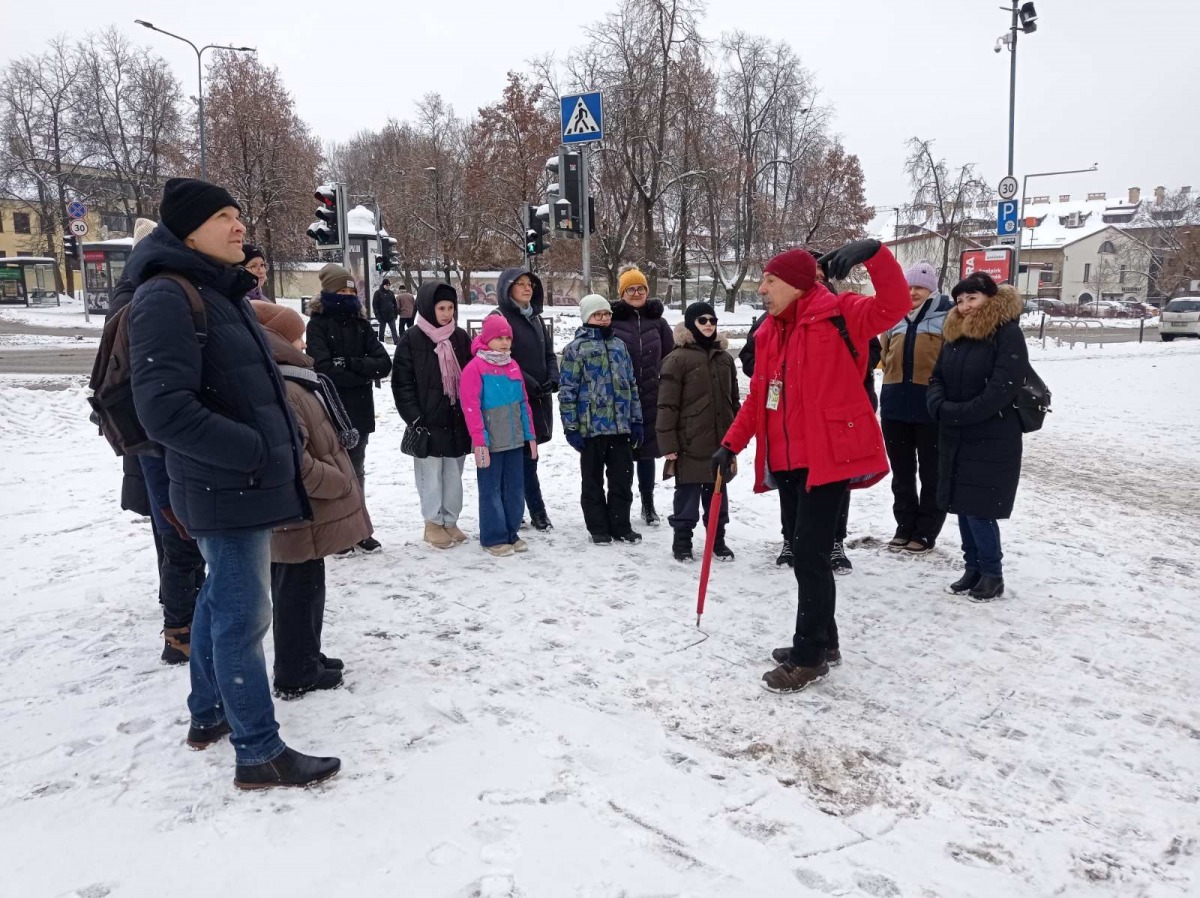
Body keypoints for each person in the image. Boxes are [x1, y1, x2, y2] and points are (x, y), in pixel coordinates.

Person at [128, 177, 339, 789]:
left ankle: (209, 712)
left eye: (238, 214)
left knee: (221, 600)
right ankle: (258, 751)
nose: (239, 225)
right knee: (243, 618)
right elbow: (163, 410)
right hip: (227, 486)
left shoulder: (216, 289)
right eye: (223, 216)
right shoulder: (166, 296)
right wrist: (253, 450)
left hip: (237, 483)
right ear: (188, 231)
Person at [712, 240, 909, 694]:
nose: (762, 289)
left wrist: (874, 254)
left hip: (829, 458)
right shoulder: (768, 331)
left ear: (798, 285)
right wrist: (731, 443)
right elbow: (760, 397)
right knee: (809, 555)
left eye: (770, 280)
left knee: (809, 555)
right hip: (787, 460)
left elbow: (895, 304)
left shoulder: (842, 313)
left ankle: (808, 657)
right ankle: (826, 641)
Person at [251, 301, 371, 697]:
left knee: (305, 587)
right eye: (297, 336)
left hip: (301, 513)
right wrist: (338, 480)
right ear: (279, 340)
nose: (304, 343)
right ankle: (296, 671)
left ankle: (306, 655)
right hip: (298, 512)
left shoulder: (290, 378)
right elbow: (294, 462)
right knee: (296, 592)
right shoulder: (283, 386)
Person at [740, 253, 881, 574]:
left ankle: (835, 541)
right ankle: (791, 539)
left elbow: (871, 348)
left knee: (834, 490)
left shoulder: (842, 310)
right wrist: (778, 370)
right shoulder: (772, 319)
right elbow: (753, 361)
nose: (815, 280)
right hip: (788, 421)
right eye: (811, 274)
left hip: (838, 421)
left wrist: (837, 372)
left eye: (819, 275)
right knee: (791, 488)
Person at [927, 273, 1027, 602]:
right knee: (961, 504)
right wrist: (939, 405)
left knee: (980, 508)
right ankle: (973, 568)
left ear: (989, 299)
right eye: (960, 300)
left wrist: (961, 413)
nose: (966, 305)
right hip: (957, 433)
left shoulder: (1006, 333)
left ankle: (992, 574)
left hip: (992, 435)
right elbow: (937, 377)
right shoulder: (955, 333)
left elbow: (1003, 387)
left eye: (973, 298)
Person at [306, 264, 391, 554]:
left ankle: (360, 529)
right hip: (329, 410)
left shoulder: (361, 324)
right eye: (340, 291)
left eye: (350, 291)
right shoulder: (317, 324)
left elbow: (383, 364)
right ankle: (337, 533)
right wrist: (361, 373)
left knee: (356, 471)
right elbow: (323, 368)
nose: (346, 296)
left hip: (359, 410)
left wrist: (351, 363)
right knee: (333, 473)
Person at [878, 260, 953, 555]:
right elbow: (884, 354)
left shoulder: (947, 317)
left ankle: (925, 530)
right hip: (895, 405)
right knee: (902, 473)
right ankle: (904, 526)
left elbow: (952, 361)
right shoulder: (894, 317)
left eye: (920, 287)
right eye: (909, 286)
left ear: (931, 289)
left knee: (932, 473)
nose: (913, 292)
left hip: (930, 408)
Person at [392, 281, 473, 549]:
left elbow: (471, 375)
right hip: (427, 421)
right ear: (429, 308)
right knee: (430, 474)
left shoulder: (460, 337)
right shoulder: (412, 339)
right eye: (441, 308)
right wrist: (415, 417)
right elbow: (402, 383)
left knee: (453, 474)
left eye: (451, 308)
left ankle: (450, 520)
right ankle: (432, 523)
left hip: (456, 419)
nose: (447, 314)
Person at [657, 301, 740, 562]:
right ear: (691, 323)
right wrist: (668, 443)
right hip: (689, 441)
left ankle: (717, 539)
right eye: (702, 320)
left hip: (720, 441)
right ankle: (682, 541)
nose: (708, 325)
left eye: (712, 320)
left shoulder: (725, 359)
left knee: (718, 493)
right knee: (688, 494)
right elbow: (667, 404)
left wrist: (736, 436)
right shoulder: (677, 359)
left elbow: (733, 400)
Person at [559, 294, 644, 545]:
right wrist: (571, 427)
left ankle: (621, 525)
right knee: (592, 481)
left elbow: (631, 385)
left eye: (607, 314)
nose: (604, 319)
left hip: (620, 427)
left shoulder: (619, 346)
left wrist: (636, 420)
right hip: (591, 429)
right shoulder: (576, 349)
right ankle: (598, 527)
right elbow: (567, 391)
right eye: (598, 315)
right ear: (587, 317)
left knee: (622, 481)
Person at [461, 315, 538, 557]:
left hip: (514, 440)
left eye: (507, 338)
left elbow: (523, 403)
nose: (504, 342)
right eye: (499, 338)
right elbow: (471, 407)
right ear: (486, 339)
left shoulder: (512, 365)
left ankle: (511, 532)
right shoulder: (475, 368)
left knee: (515, 488)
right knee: (491, 490)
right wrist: (479, 441)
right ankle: (493, 537)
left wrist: (530, 436)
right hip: (491, 443)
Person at [489, 267, 558, 531]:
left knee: (530, 456)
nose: (527, 288)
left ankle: (524, 509)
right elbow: (500, 357)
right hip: (512, 400)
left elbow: (549, 353)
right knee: (518, 458)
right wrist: (528, 382)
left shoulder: (535, 318)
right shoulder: (499, 318)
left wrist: (553, 377)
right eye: (520, 284)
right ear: (507, 289)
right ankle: (528, 510)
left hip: (538, 399)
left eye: (530, 284)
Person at [610, 265, 673, 526]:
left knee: (647, 453)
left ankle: (648, 504)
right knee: (622, 454)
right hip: (621, 397)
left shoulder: (658, 323)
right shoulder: (612, 321)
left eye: (641, 288)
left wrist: (664, 384)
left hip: (650, 395)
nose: (636, 293)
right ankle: (621, 504)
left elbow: (670, 358)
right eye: (630, 289)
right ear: (622, 293)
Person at [373, 278, 401, 344]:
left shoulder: (391, 293)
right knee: (382, 331)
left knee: (394, 330)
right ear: (383, 285)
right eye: (386, 285)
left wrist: (395, 314)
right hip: (382, 315)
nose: (388, 286)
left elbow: (395, 304)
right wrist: (377, 315)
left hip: (391, 315)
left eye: (389, 285)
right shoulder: (378, 293)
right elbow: (375, 305)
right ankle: (381, 343)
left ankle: (396, 343)